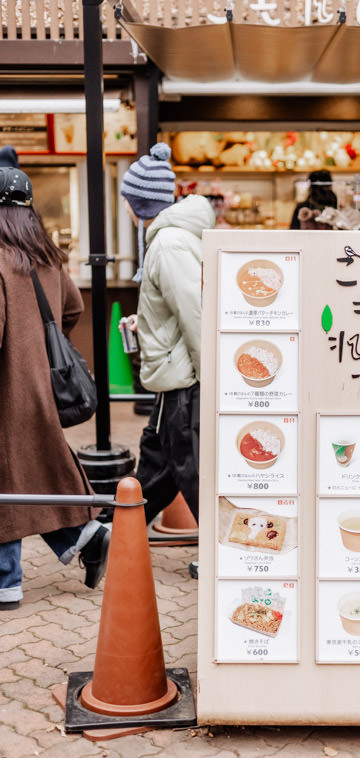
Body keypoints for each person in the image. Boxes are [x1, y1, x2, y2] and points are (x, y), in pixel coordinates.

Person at [0, 167, 111, 611]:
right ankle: (86, 534)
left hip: (7, 392)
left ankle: (6, 579)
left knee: (10, 476)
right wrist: (40, 356)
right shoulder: (47, 255)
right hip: (40, 389)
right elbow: (73, 308)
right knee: (31, 472)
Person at [120, 144, 216, 579]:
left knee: (189, 468)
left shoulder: (168, 244)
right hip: (174, 374)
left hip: (184, 378)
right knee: (159, 464)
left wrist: (210, 374)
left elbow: (195, 313)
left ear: (138, 202)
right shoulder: (170, 238)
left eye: (127, 198)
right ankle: (114, 539)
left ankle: (222, 553)